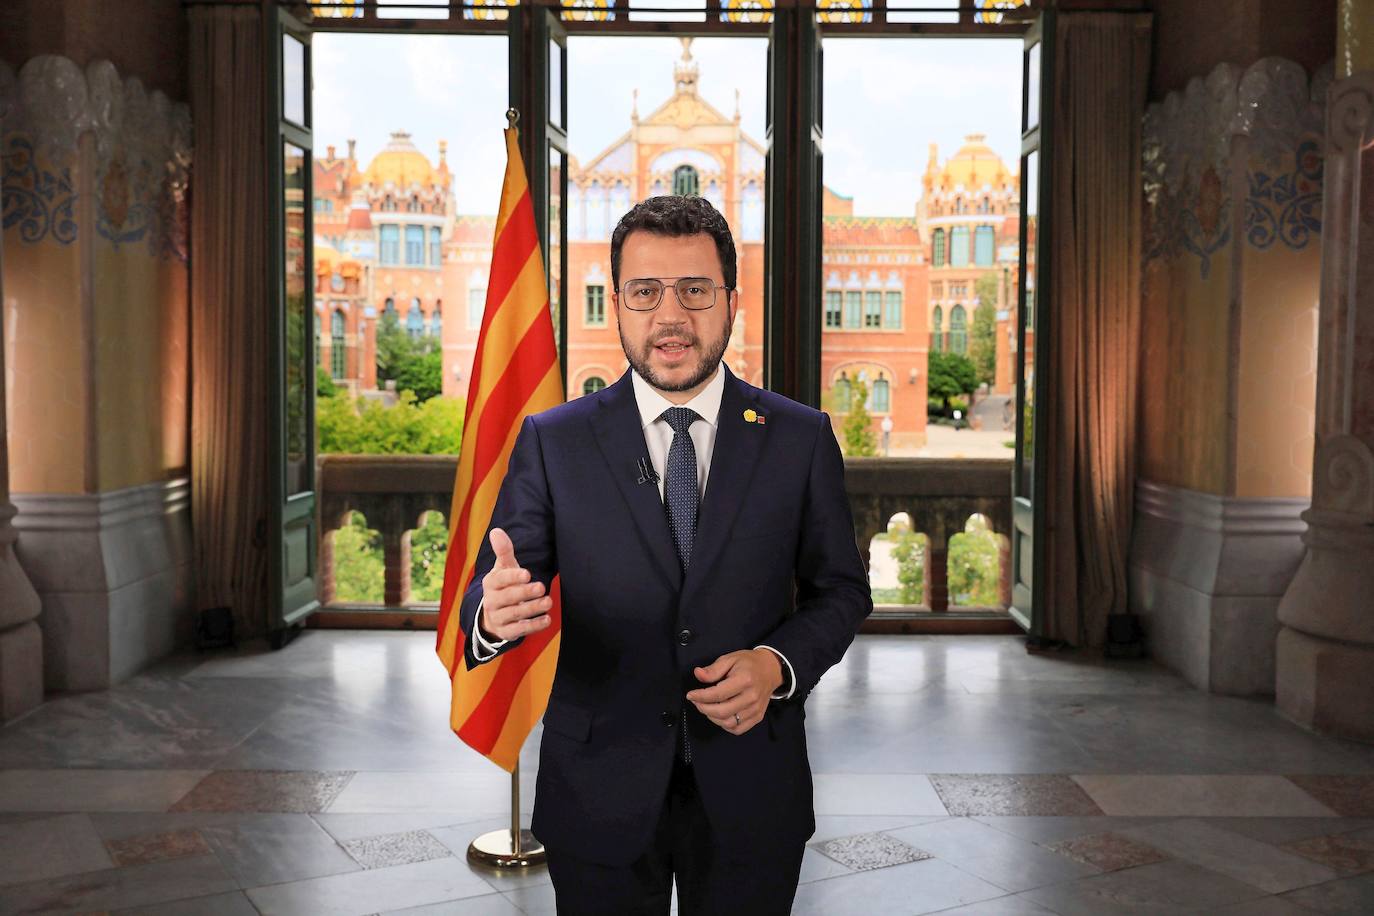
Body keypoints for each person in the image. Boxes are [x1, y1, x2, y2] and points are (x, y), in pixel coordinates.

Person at [457, 195, 872, 915]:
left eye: (695, 290)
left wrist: (777, 666)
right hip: (595, 792)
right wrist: (492, 616)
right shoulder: (552, 441)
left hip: (753, 790)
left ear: (732, 302)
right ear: (616, 303)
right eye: (645, 292)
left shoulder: (800, 438)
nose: (670, 316)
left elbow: (843, 590)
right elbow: (487, 592)